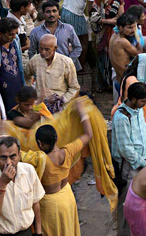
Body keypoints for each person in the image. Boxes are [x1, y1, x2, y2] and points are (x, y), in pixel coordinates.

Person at [35, 99, 95, 236]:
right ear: (56, 139)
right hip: (67, 197)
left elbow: (18, 155)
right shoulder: (68, 151)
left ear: (39, 143)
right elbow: (88, 135)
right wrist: (82, 112)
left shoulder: (39, 159)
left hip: (51, 205)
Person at [0, 136, 45, 236]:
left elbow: (36, 204)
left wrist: (38, 233)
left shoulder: (29, 171)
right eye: (3, 157)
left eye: (12, 156)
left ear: (19, 156)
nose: (8, 162)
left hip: (25, 232)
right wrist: (2, 185)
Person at [111, 81, 146, 190]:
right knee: (128, 198)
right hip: (130, 165)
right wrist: (143, 164)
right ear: (134, 99)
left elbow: (145, 131)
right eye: (143, 101)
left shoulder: (139, 110)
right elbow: (126, 149)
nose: (145, 104)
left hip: (143, 161)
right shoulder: (121, 117)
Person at [23, 33, 80, 113]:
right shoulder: (35, 60)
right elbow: (26, 76)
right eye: (41, 48)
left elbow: (74, 88)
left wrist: (62, 100)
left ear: (55, 48)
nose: (43, 52)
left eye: (47, 49)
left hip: (60, 109)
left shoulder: (66, 62)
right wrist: (30, 93)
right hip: (40, 107)